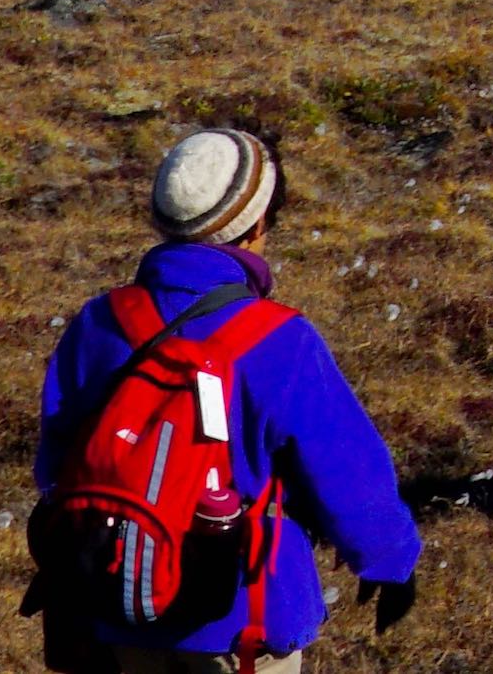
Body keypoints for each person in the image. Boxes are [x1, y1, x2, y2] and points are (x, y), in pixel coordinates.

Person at [29, 126, 420, 670]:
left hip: (115, 599)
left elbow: (56, 465)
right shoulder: (281, 339)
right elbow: (347, 472)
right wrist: (389, 561)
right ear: (256, 224)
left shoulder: (98, 322)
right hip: (243, 622)